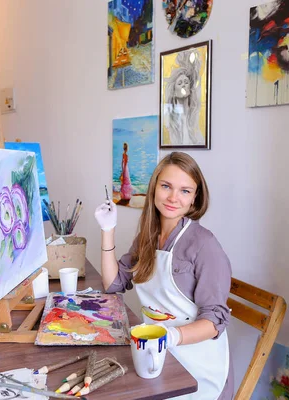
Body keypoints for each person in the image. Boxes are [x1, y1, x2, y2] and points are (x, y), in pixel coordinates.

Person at [94, 152, 233, 400]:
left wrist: (169, 337)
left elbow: (214, 323)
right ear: (154, 187)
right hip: (158, 355)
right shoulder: (147, 237)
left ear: (195, 199)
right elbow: (113, 283)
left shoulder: (204, 245)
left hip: (196, 368)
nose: (173, 198)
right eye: (166, 186)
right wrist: (107, 230)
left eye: (185, 191)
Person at [163, 50, 205, 146]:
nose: (183, 85)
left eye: (186, 82)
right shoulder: (169, 118)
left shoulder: (195, 114)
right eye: (179, 83)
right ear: (173, 91)